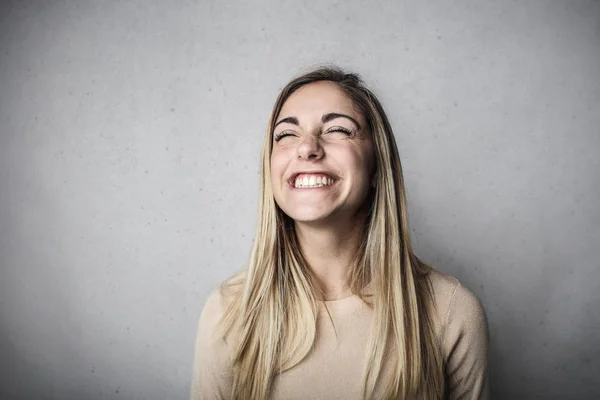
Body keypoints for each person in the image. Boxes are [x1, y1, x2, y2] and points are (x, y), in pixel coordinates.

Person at [190, 66, 489, 400]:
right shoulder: (227, 313)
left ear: (377, 166)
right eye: (286, 135)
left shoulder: (451, 312)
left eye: (337, 129)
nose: (307, 148)